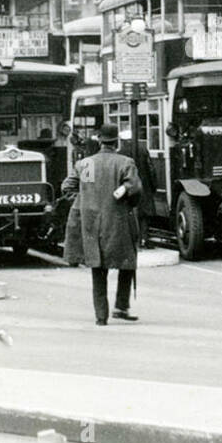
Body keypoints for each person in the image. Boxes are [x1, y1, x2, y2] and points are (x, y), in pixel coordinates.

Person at [74, 123, 142, 324]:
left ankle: (100, 317)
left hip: (92, 222)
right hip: (119, 221)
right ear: (116, 142)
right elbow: (136, 189)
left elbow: (68, 186)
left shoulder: (85, 164)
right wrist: (128, 200)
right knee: (127, 262)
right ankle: (121, 306)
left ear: (99, 141)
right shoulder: (125, 162)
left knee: (98, 267)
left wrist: (84, 200)